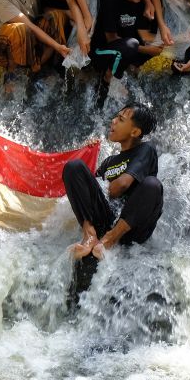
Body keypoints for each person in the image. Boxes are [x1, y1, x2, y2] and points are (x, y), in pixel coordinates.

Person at [63, 105, 162, 302]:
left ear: (135, 132)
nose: (113, 122)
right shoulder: (109, 161)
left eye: (121, 120)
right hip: (107, 218)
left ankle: (108, 240)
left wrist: (108, 185)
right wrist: (86, 160)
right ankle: (90, 236)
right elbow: (87, 192)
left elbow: (120, 186)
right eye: (115, 117)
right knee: (73, 167)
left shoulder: (146, 150)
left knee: (153, 185)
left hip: (131, 228)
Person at [92, 0, 161, 79]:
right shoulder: (112, 0)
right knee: (131, 45)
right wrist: (147, 50)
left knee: (147, 50)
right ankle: (108, 78)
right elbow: (111, 39)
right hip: (104, 50)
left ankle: (129, 68)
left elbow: (144, 35)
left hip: (127, 46)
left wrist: (167, 42)